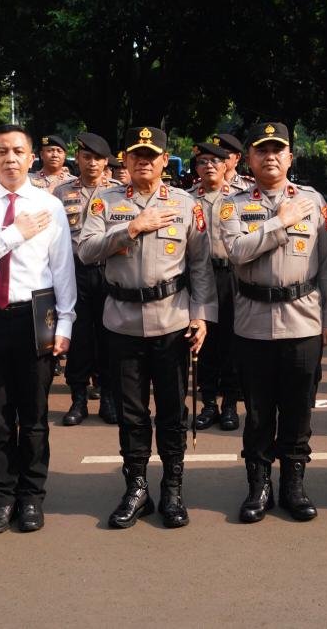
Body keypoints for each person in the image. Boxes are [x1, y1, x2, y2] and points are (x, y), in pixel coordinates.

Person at [78, 126, 216, 529]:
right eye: (136, 154)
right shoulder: (106, 202)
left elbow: (200, 265)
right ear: (125, 159)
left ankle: (172, 487)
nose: (143, 161)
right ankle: (136, 487)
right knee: (131, 413)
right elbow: (86, 250)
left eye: (151, 155)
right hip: (121, 321)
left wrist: (200, 315)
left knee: (172, 411)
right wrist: (133, 228)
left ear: (163, 161)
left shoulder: (186, 204)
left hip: (172, 320)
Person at [0, 124, 76, 533]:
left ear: (31, 158)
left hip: (34, 317)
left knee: (35, 413)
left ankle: (31, 495)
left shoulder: (49, 205)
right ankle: (2, 495)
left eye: (18, 151)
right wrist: (13, 235)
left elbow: (62, 269)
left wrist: (66, 322)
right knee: (0, 415)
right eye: (1, 151)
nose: (10, 158)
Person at [220, 123, 327, 523]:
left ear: (290, 157)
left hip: (303, 320)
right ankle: (259, 486)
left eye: (278, 150)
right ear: (249, 159)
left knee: (298, 409)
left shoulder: (313, 200)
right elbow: (236, 251)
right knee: (257, 412)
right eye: (262, 150)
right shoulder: (233, 205)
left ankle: (293, 484)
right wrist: (279, 222)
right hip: (252, 322)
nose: (270, 157)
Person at [53, 132, 123, 426]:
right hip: (75, 271)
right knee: (79, 334)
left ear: (106, 162)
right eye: (86, 157)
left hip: (109, 270)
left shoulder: (119, 192)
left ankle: (108, 397)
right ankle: (78, 399)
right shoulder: (61, 192)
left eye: (98, 158)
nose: (92, 163)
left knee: (109, 335)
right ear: (78, 159)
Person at [189, 140, 243, 433]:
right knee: (203, 341)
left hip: (231, 275)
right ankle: (208, 403)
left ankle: (230, 404)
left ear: (226, 165)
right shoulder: (187, 199)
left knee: (232, 342)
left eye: (215, 161)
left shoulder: (240, 196)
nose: (209, 166)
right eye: (203, 161)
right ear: (196, 168)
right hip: (200, 276)